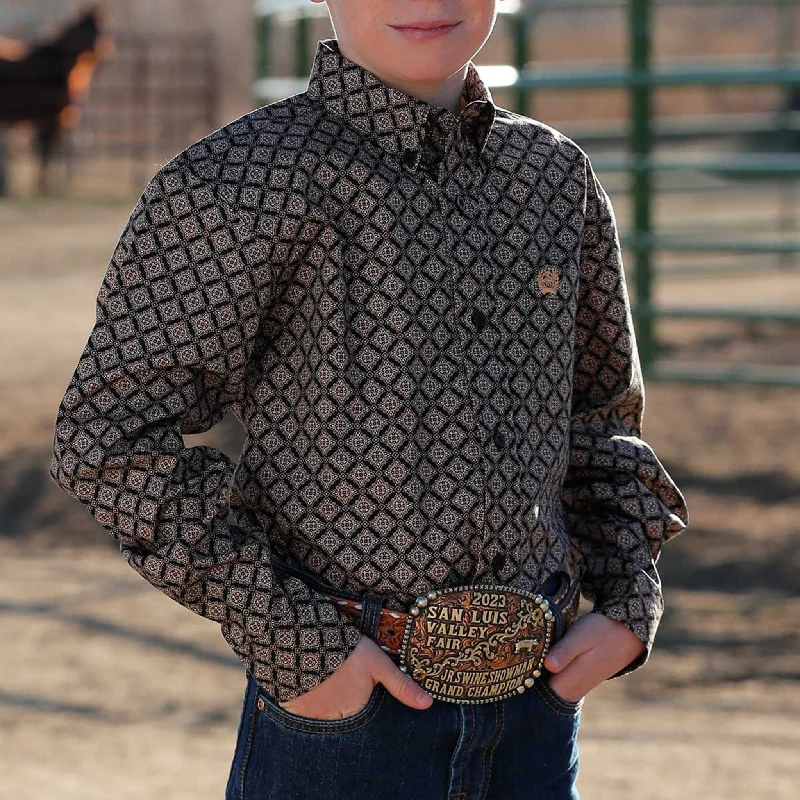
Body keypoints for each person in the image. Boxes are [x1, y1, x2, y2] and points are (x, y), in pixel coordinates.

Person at [49, 1, 689, 798]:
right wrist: (298, 646)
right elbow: (107, 438)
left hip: (535, 713)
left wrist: (631, 597)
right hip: (344, 723)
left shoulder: (553, 177)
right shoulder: (238, 183)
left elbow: (598, 417)